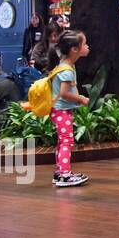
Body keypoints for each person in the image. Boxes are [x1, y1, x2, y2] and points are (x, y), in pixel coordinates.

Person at [47, 30, 91, 188]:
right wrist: (81, 99)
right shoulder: (67, 70)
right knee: (66, 142)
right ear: (74, 49)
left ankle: (60, 172)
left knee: (62, 141)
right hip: (61, 111)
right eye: (84, 44)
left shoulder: (65, 65)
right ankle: (64, 175)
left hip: (58, 110)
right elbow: (64, 93)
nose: (87, 47)